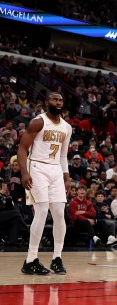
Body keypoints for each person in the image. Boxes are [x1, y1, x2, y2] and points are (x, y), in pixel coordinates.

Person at [18, 92, 72, 275]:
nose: (58, 101)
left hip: (56, 170)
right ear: (46, 102)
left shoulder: (67, 127)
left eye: (60, 99)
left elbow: (63, 155)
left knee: (58, 213)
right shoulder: (38, 122)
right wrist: (24, 172)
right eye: (54, 99)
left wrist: (66, 176)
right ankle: (30, 259)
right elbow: (22, 148)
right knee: (41, 211)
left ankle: (57, 257)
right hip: (37, 168)